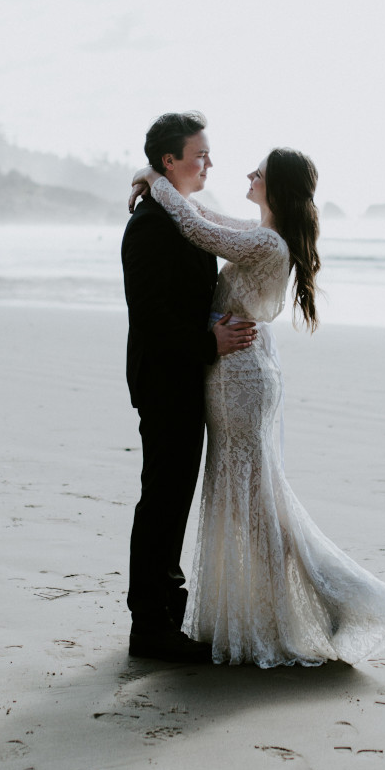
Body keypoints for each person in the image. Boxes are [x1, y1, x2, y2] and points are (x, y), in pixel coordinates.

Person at [129, 148, 385, 667]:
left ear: (275, 188)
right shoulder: (266, 234)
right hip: (243, 369)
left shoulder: (265, 241)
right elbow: (207, 219)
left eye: (257, 173)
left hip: (237, 375)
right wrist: (160, 186)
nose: (247, 174)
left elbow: (200, 233)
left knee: (252, 498)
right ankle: (294, 604)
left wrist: (154, 179)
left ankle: (312, 605)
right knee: (255, 495)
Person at [121, 111, 256, 663]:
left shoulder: (183, 215)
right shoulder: (151, 225)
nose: (209, 163)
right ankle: (151, 629)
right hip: (164, 379)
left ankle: (159, 620)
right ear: (169, 160)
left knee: (171, 496)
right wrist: (209, 345)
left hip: (184, 375)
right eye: (198, 155)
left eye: (208, 153)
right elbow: (150, 315)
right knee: (164, 499)